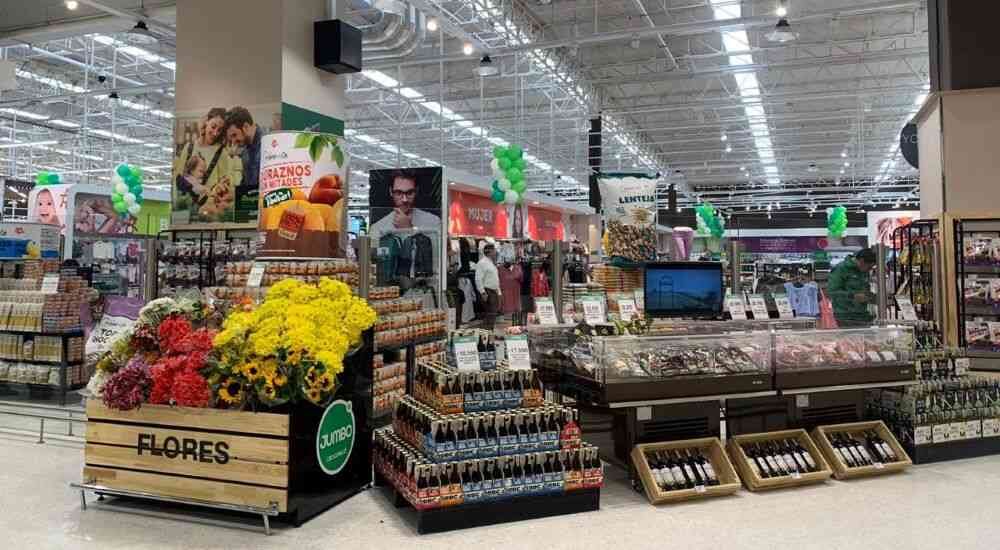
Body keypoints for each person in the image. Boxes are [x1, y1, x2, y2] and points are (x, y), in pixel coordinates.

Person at [369, 170, 441, 239]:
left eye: (410, 193)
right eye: (398, 193)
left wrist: (408, 229)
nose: (404, 199)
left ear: (416, 191)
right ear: (390, 191)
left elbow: (437, 247)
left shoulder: (434, 221)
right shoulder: (377, 227)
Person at [827, 247, 877, 326]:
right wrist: (853, 296)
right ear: (861, 261)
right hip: (845, 316)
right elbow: (831, 292)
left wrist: (871, 297)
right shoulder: (841, 269)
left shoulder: (864, 271)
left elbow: (864, 290)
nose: (869, 270)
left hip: (862, 315)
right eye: (869, 267)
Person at [224, 106, 262, 194]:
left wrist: (237, 196)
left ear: (246, 127)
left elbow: (271, 193)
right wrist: (233, 194)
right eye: (231, 138)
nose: (233, 142)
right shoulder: (245, 152)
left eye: (234, 135)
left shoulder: (270, 147)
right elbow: (245, 185)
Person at [475, 244, 501, 331]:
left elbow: (494, 278)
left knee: (492, 314)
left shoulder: (491, 263)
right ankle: (486, 334)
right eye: (494, 250)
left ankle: (488, 333)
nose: (495, 252)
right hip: (487, 291)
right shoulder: (482, 263)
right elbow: (478, 279)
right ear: (489, 252)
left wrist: (498, 292)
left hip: (493, 291)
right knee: (490, 314)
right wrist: (483, 292)